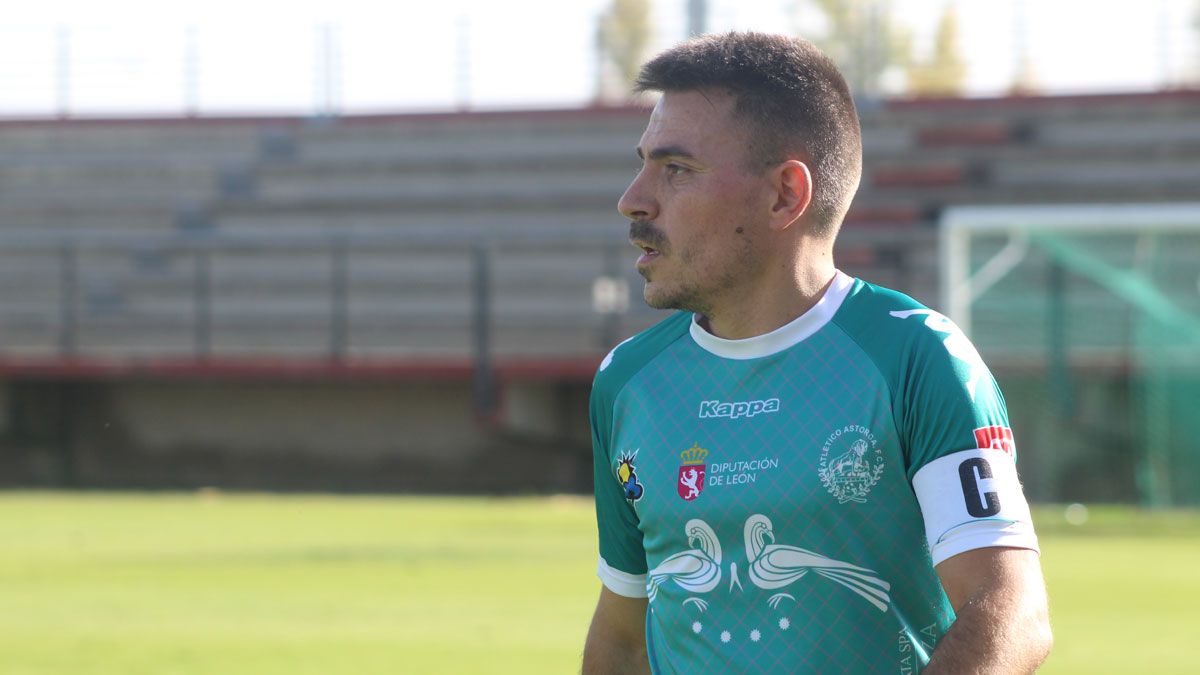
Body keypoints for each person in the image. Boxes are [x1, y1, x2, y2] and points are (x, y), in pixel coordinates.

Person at [581, 32, 1052, 674]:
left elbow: (1010, 610)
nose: (633, 198)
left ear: (784, 195)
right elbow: (624, 637)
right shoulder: (629, 380)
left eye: (676, 170)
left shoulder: (915, 357)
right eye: (641, 164)